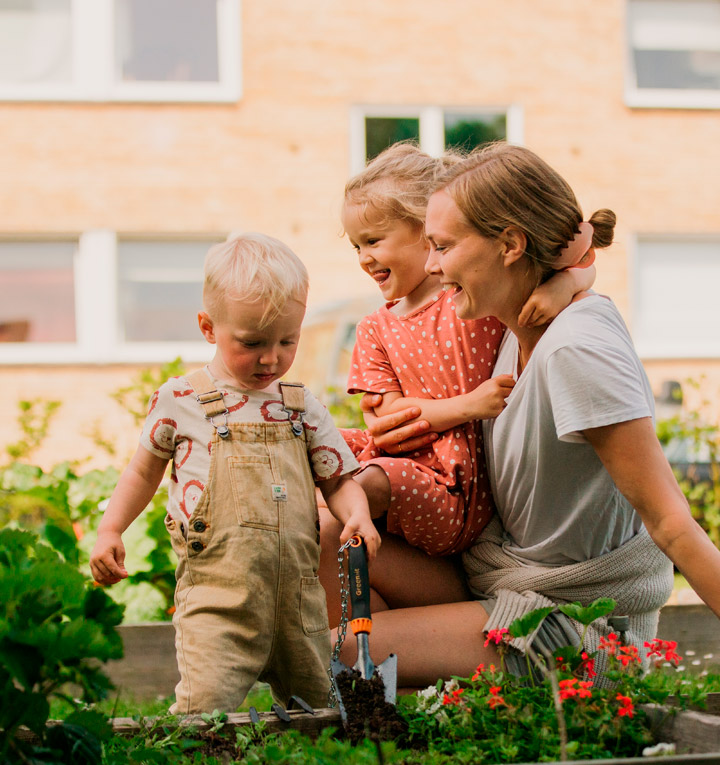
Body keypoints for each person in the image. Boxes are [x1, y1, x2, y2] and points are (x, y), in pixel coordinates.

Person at [328, 142, 720, 689]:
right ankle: (419, 722)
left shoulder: (576, 350)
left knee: (338, 652)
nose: (433, 266)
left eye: (442, 246)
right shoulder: (511, 330)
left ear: (510, 244)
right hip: (509, 584)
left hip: (576, 628)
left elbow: (671, 523)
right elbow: (573, 261)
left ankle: (425, 723)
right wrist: (572, 277)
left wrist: (573, 282)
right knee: (328, 524)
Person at [90, 232, 380, 713]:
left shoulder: (301, 406)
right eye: (253, 343)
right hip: (218, 603)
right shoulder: (180, 401)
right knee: (205, 713)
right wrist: (110, 528)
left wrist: (358, 514)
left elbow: (337, 480)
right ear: (208, 327)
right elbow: (142, 472)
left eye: (288, 340)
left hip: (298, 604)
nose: (271, 358)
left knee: (323, 712)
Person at [326, 143, 594, 567]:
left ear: (424, 230)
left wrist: (561, 286)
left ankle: (333, 519)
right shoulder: (375, 327)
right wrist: (469, 405)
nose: (364, 258)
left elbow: (581, 248)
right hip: (407, 461)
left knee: (368, 482)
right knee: (315, 444)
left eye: (373, 240)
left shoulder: (472, 296)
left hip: (455, 488)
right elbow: (393, 417)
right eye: (356, 246)